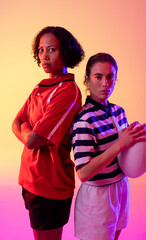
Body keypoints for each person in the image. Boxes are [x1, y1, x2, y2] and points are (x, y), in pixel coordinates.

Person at [12, 26, 84, 240]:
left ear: (66, 52)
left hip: (49, 186)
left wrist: (27, 132)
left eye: (51, 49)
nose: (45, 56)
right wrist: (28, 132)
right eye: (41, 50)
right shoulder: (39, 87)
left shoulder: (68, 91)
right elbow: (15, 121)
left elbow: (32, 140)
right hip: (29, 180)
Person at [70, 53, 146, 240]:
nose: (106, 83)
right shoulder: (84, 119)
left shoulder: (119, 111)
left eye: (110, 76)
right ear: (87, 80)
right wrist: (120, 144)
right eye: (98, 77)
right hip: (97, 196)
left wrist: (141, 141)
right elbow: (84, 172)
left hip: (120, 187)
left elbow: (124, 153)